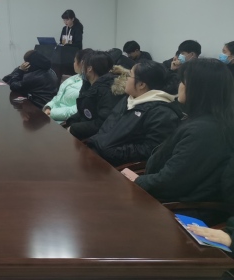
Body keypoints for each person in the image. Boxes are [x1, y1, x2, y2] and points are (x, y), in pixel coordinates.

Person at [121, 59, 234, 211]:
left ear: (198, 89)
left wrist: (137, 181)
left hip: (180, 208)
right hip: (166, 195)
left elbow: (169, 182)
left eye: (183, 82)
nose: (179, 86)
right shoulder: (205, 120)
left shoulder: (204, 131)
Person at [87, 60, 182, 167]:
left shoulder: (162, 112)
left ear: (141, 84)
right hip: (97, 152)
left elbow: (150, 150)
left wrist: (112, 152)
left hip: (114, 165)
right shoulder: (129, 99)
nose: (125, 79)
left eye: (129, 75)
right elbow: (107, 127)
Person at [65, 51, 128, 140]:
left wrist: (74, 128)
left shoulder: (110, 90)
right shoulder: (88, 84)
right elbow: (83, 110)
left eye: (83, 64)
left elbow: (103, 123)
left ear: (89, 69)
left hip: (96, 139)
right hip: (84, 130)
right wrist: (71, 122)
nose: (81, 68)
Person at [43, 48, 91, 122]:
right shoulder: (72, 78)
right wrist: (48, 107)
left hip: (66, 121)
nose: (73, 63)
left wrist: (52, 113)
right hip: (52, 116)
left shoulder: (89, 84)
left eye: (75, 61)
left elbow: (78, 109)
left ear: (82, 63)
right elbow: (57, 98)